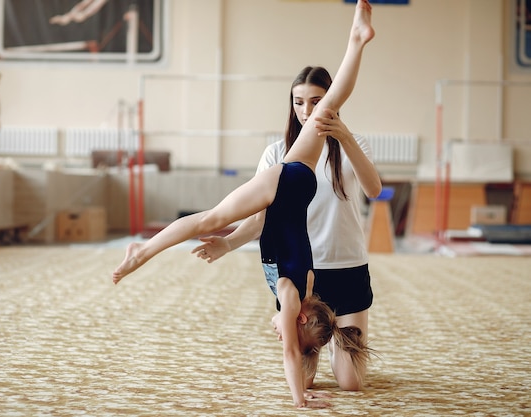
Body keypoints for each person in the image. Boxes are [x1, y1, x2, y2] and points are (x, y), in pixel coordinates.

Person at [113, 0, 375, 408]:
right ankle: (142, 250)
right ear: (302, 317)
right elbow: (291, 351)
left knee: (326, 112)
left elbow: (294, 349)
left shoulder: (301, 293)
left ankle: (357, 41)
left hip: (294, 188)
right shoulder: (291, 296)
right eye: (291, 329)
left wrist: (300, 393)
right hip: (286, 183)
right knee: (211, 218)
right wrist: (299, 401)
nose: (281, 333)